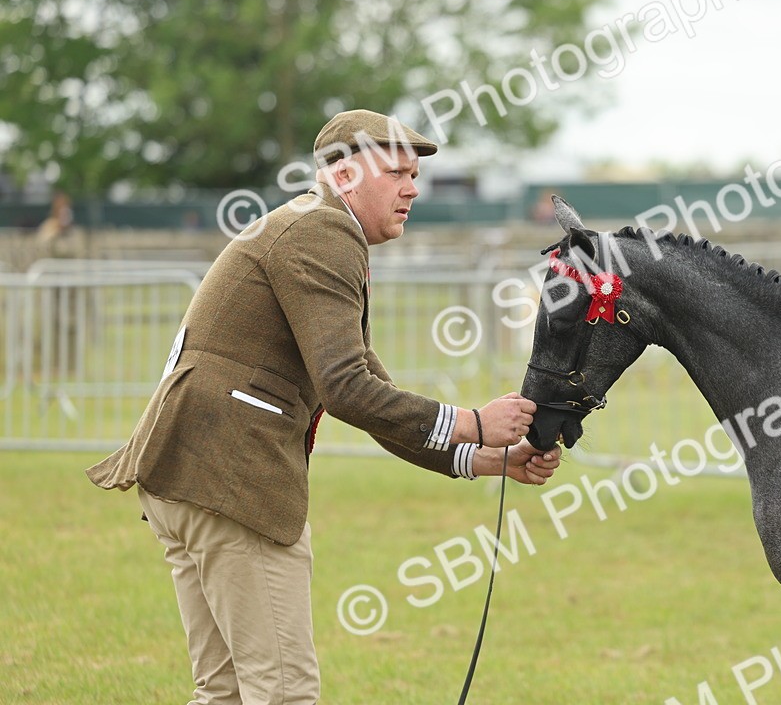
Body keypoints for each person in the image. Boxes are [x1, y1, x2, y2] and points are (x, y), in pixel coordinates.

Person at [86, 109, 562, 704]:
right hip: (231, 482)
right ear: (343, 176)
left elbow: (363, 386)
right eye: (396, 173)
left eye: (415, 175)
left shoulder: (309, 225)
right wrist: (472, 423)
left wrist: (490, 457)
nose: (413, 187)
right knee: (283, 693)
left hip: (185, 475)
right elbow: (348, 389)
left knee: (227, 694)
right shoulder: (324, 233)